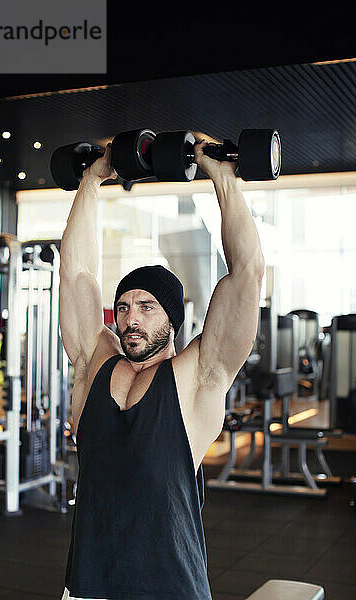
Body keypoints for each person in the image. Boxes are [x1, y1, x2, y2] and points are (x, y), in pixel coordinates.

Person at [59, 141, 265, 600]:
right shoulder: (92, 363)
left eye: (147, 307)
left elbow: (246, 273)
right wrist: (91, 181)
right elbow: (76, 273)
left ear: (172, 318)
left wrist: (221, 176)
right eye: (125, 306)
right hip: (88, 587)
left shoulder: (198, 377)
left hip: (170, 588)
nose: (131, 318)